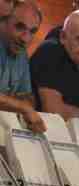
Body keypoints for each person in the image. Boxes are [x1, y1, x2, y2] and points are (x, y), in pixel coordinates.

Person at [0, 0, 44, 133]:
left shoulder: (21, 52)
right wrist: (22, 107)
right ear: (3, 22)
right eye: (19, 27)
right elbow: (24, 105)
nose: (26, 39)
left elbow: (27, 98)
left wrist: (21, 105)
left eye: (32, 31)